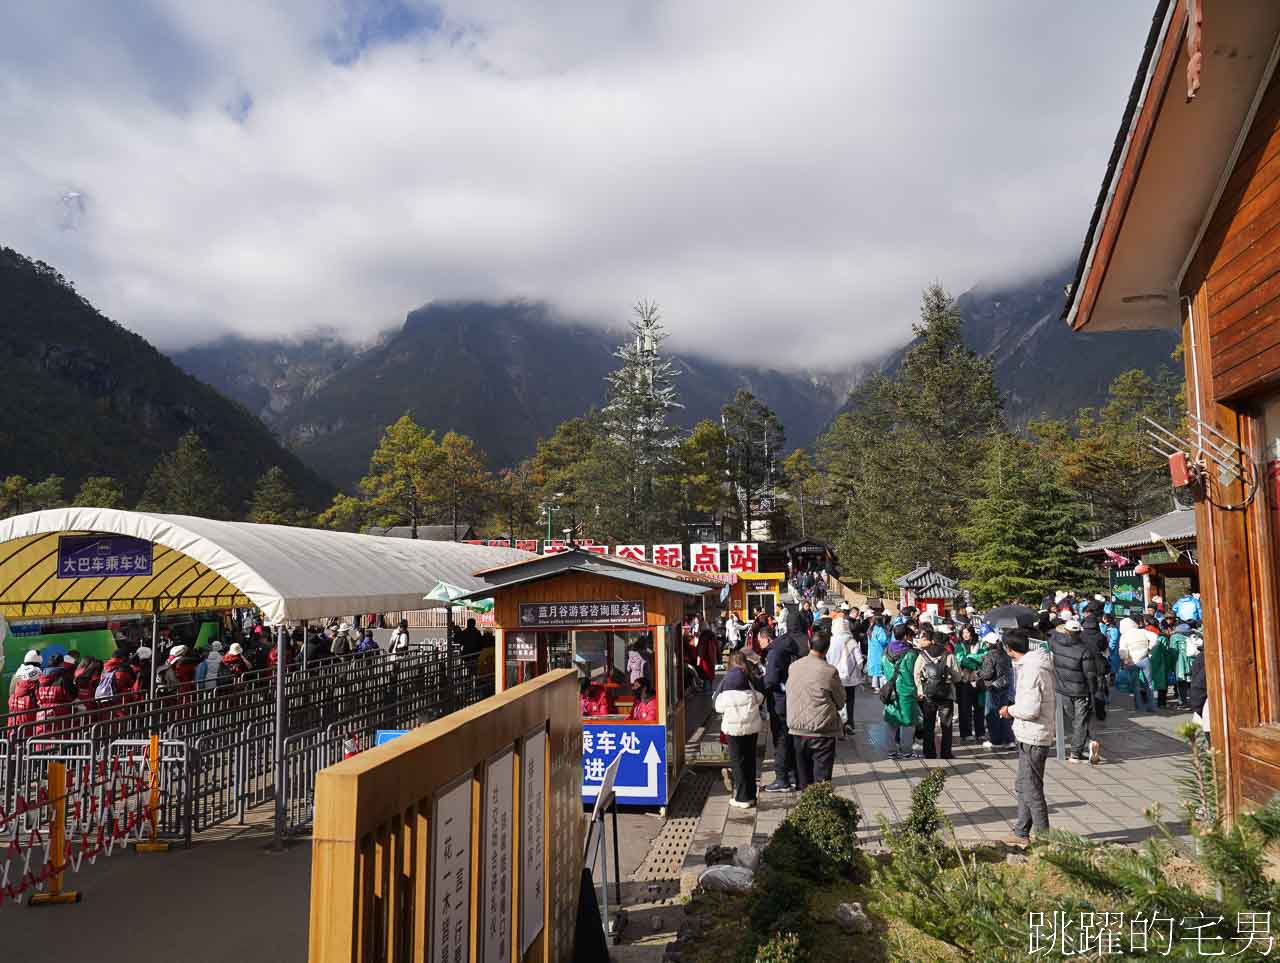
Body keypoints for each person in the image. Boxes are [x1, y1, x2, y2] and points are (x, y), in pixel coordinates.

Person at [999, 628, 1056, 842]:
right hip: (1030, 733)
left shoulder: (1031, 669)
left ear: (1009, 649)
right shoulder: (1034, 664)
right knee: (1024, 784)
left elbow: (1030, 709)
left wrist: (1009, 710)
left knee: (1031, 788)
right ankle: (1021, 830)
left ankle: (1044, 837)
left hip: (1033, 734)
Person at [787, 631, 845, 789]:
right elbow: (841, 701)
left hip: (797, 728)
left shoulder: (794, 667)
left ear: (808, 645)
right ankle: (820, 810)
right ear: (827, 649)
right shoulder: (829, 671)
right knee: (821, 780)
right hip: (821, 730)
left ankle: (805, 809)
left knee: (803, 779)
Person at [715, 652, 764, 808]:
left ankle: (742, 798)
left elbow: (717, 706)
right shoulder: (750, 679)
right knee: (750, 760)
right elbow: (761, 696)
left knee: (737, 762)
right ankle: (751, 794)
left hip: (733, 729)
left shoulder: (726, 682)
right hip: (752, 727)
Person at [1049, 619, 1101, 764]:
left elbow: (1051, 635)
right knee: (1080, 721)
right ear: (1079, 633)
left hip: (1062, 689)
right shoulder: (1084, 650)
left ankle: (1086, 744)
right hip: (1080, 691)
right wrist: (1093, 691)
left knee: (1076, 720)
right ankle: (1076, 753)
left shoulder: (1055, 644)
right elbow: (1090, 674)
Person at [761, 625, 800, 792]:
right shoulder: (785, 648)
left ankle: (781, 778)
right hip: (788, 698)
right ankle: (791, 774)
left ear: (766, 638)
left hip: (779, 701)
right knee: (787, 738)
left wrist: (760, 682)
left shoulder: (774, 653)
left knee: (781, 740)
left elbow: (770, 679)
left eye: (759, 640)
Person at [913, 626, 960, 760]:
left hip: (928, 695)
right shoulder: (949, 655)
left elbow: (916, 673)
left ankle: (929, 753)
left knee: (929, 724)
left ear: (933, 641)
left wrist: (920, 690)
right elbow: (958, 676)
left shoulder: (923, 655)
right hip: (946, 695)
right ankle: (946, 753)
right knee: (946, 725)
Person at [882, 624, 920, 760]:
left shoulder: (886, 651)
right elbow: (915, 673)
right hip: (906, 691)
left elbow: (883, 668)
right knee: (908, 723)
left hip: (890, 691)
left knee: (891, 721)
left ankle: (891, 751)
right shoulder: (910, 653)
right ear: (905, 636)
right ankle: (906, 751)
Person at [826, 605, 863, 735]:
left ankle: (838, 725)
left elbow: (828, 659)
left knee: (836, 701)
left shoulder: (831, 641)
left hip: (836, 677)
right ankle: (849, 724)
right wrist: (859, 672)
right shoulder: (851, 641)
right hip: (851, 678)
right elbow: (859, 661)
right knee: (850, 701)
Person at [978, 631, 1014, 750]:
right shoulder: (1005, 654)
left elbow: (987, 674)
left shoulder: (990, 655)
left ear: (989, 644)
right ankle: (1008, 739)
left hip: (992, 688)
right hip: (1004, 686)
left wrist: (979, 672)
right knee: (1004, 713)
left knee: (992, 714)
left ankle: (996, 740)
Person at [953, 625, 986, 743]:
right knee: (964, 708)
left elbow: (984, 657)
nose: (966, 635)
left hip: (979, 680)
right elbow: (960, 659)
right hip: (964, 681)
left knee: (979, 707)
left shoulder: (980, 644)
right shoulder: (958, 646)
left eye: (968, 632)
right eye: (963, 633)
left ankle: (980, 732)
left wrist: (971, 657)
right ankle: (966, 733)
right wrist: (974, 664)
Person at [35, 654, 78, 738]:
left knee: (43, 741)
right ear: (61, 663)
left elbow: (37, 696)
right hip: (61, 715)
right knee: (61, 741)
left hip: (43, 715)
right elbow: (74, 693)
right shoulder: (64, 678)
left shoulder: (40, 679)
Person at [1119, 621, 1156, 712]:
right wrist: (1149, 648)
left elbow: (1123, 651)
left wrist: (1125, 659)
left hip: (1132, 662)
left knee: (1135, 685)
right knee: (1149, 684)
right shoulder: (1143, 631)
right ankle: (1151, 706)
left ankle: (1139, 707)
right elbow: (1155, 637)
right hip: (1145, 659)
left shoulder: (1124, 636)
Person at [7, 650, 42, 735]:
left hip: (14, 715)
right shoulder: (37, 676)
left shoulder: (16, 675)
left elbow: (11, 693)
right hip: (29, 716)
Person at [866, 614, 889, 691]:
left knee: (875, 670)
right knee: (881, 669)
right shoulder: (879, 629)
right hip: (880, 651)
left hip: (872, 652)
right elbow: (883, 641)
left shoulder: (870, 629)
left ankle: (875, 685)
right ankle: (882, 686)